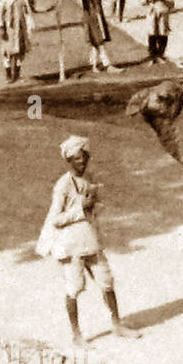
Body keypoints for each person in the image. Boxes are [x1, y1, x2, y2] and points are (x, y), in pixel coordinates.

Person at [36, 136, 139, 346]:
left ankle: (117, 324)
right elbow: (55, 219)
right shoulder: (63, 186)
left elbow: (96, 208)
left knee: (107, 282)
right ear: (69, 161)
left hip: (91, 241)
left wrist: (94, 204)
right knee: (74, 288)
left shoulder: (90, 178)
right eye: (76, 159)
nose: (81, 163)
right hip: (71, 246)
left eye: (83, 158)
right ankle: (76, 335)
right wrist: (80, 208)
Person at [69, 0, 113, 73]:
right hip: (91, 21)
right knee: (98, 42)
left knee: (95, 43)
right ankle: (106, 64)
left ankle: (93, 65)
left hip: (97, 19)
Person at [0, 0, 33, 82]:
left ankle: (16, 74)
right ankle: (8, 74)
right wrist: (1, 27)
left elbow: (27, 11)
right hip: (9, 28)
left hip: (21, 28)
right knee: (7, 51)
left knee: (20, 51)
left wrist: (29, 25)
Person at [143, 0, 173, 64]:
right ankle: (153, 56)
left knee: (163, 33)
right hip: (152, 11)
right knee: (152, 33)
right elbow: (142, 0)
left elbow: (172, 1)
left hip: (163, 10)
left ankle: (161, 54)